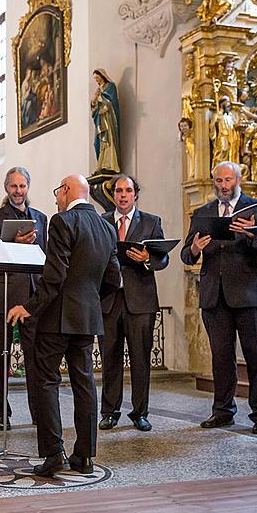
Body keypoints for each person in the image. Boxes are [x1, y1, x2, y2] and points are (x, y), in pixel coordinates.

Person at [7, 175, 121, 477]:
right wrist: (92, 304)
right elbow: (114, 279)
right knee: (84, 384)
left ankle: (53, 453)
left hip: (57, 318)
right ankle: (84, 456)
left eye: (58, 191)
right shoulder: (107, 228)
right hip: (87, 318)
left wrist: (28, 307)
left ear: (68, 191)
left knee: (46, 381)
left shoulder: (62, 221)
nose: (57, 197)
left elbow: (55, 275)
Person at [181, 161, 257, 434]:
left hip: (250, 294)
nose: (223, 186)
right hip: (215, 296)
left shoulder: (256, 208)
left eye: (227, 180)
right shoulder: (203, 212)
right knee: (221, 358)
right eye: (219, 181)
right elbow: (186, 254)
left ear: (239, 179)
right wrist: (195, 248)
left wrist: (252, 234)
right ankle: (222, 411)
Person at [98, 174, 169, 432]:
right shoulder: (102, 221)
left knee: (140, 359)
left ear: (135, 194)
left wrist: (147, 258)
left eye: (128, 190)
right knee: (110, 359)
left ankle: (140, 412)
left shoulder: (151, 222)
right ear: (113, 195)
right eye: (118, 191)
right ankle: (109, 411)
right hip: (109, 299)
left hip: (141, 300)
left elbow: (163, 260)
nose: (123, 195)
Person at [0, 167, 48, 430]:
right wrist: (15, 244)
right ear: (6, 188)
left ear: (28, 188)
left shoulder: (41, 218)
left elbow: (46, 256)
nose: (18, 191)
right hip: (4, 294)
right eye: (13, 186)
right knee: (1, 356)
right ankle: (2, 412)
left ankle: (38, 411)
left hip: (33, 297)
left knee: (36, 358)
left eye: (22, 186)